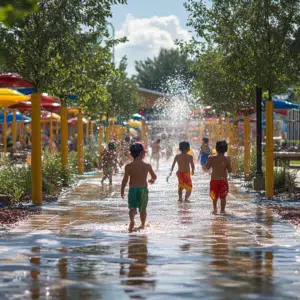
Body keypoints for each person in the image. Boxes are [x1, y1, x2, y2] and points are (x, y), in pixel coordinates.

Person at [121, 143, 157, 232]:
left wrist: (122, 190)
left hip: (133, 190)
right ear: (142, 153)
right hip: (143, 190)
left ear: (131, 154)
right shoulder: (147, 166)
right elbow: (154, 176)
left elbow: (125, 180)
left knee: (132, 208)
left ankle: (132, 221)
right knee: (143, 209)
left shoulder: (128, 166)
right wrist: (152, 180)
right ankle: (142, 224)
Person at [206, 140, 232, 214]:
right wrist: (229, 162)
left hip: (214, 180)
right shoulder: (226, 158)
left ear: (216, 148)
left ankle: (215, 209)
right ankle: (222, 210)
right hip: (223, 180)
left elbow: (207, 167)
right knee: (223, 197)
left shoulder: (211, 158)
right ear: (226, 149)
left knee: (214, 196)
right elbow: (230, 170)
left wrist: (209, 159)